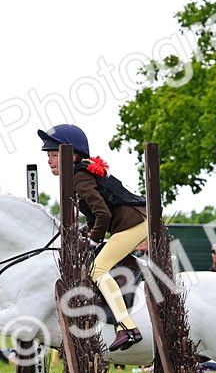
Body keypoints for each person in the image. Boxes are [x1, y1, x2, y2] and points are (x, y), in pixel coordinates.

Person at [39, 123, 149, 352]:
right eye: (48, 155)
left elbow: (103, 214)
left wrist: (93, 240)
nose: (49, 160)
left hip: (135, 223)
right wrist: (86, 234)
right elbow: (94, 217)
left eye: (53, 155)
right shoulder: (80, 174)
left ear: (72, 155)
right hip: (134, 220)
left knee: (98, 270)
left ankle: (127, 327)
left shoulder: (79, 176)